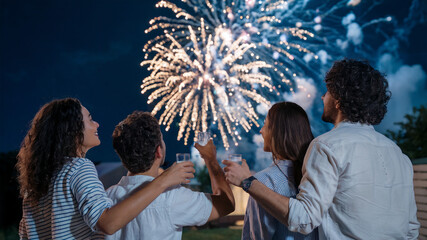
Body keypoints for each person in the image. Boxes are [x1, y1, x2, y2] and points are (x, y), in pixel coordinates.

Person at [224, 59, 420, 239]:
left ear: (338, 100)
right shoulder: (398, 154)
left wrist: (248, 181)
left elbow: (304, 219)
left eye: (327, 92)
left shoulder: (326, 146)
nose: (322, 98)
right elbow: (411, 228)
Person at [16, 98, 195, 239]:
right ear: (72, 129)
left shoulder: (36, 182)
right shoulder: (79, 167)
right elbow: (107, 223)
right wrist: (163, 181)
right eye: (90, 119)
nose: (97, 125)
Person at [98, 111, 235, 240]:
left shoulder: (106, 197)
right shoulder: (172, 197)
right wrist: (211, 160)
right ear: (159, 151)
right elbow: (226, 203)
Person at [242, 101, 318, 240]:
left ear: (277, 132)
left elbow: (257, 236)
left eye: (265, 124)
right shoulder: (317, 174)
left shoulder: (261, 182)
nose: (261, 130)